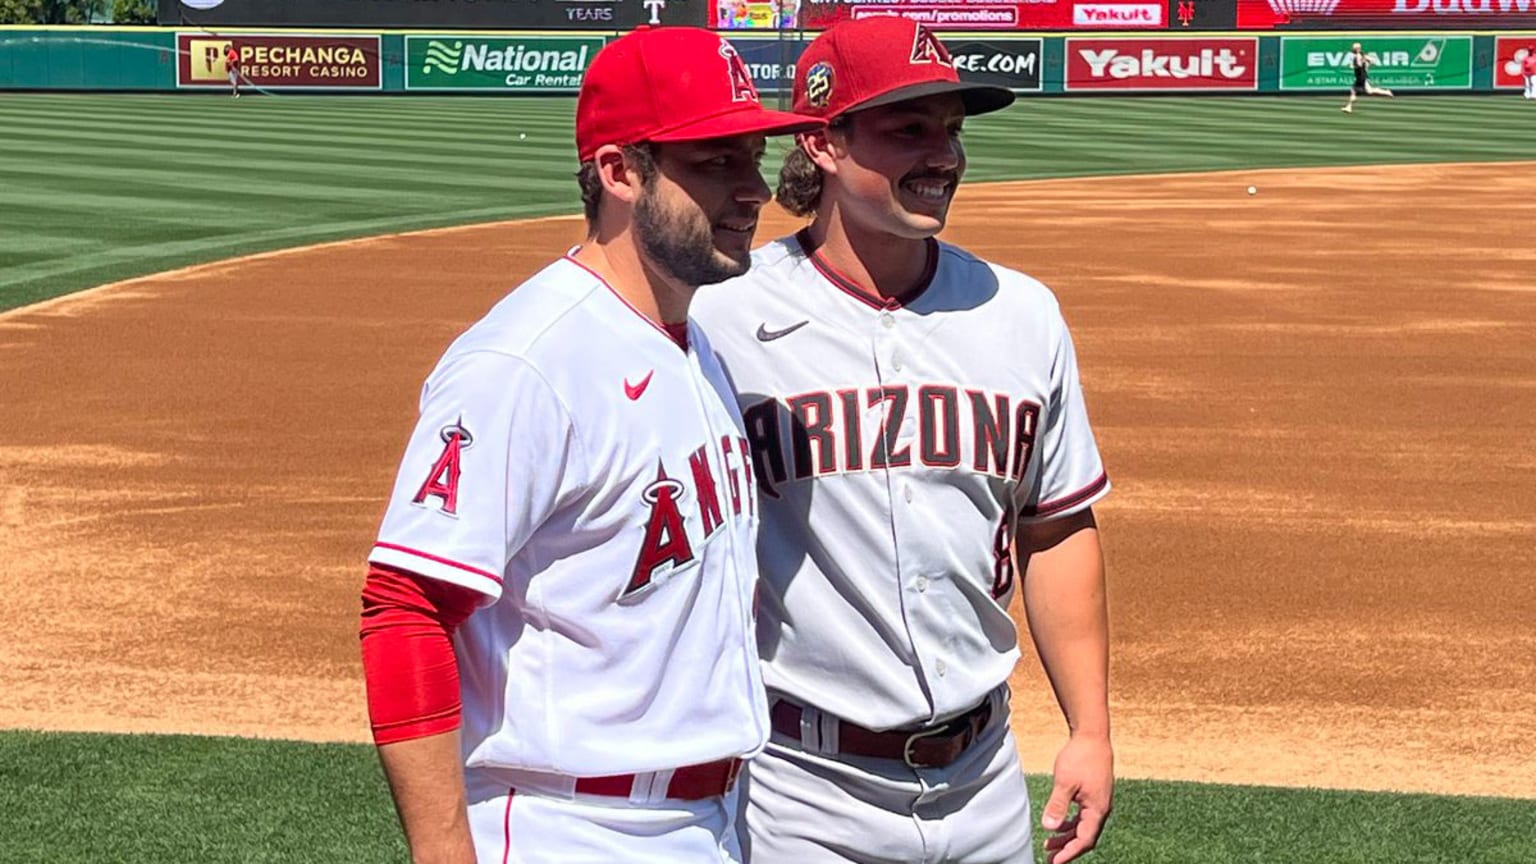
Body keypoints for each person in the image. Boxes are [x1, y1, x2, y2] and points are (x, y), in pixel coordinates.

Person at [358, 26, 819, 864]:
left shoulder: (692, 339)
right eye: (715, 162)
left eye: (752, 157)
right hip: (565, 824)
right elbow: (405, 607)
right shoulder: (526, 362)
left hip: (710, 817)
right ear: (618, 172)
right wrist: (442, 852)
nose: (753, 190)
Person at [691, 16, 1114, 864]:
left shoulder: (1020, 312)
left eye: (951, 131)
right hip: (796, 788)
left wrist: (1091, 730)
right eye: (908, 129)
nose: (944, 156)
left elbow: (1055, 526)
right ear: (822, 143)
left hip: (988, 779)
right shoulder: (719, 319)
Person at [1342, 42, 1393, 113]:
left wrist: (1353, 66)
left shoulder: (1358, 56)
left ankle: (1349, 107)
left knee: (1354, 91)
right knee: (1368, 91)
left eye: (1353, 48)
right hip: (1361, 76)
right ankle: (1386, 92)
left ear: (1356, 49)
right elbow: (1371, 61)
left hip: (1360, 76)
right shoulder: (1362, 55)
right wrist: (1367, 65)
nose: (1352, 50)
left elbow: (1359, 65)